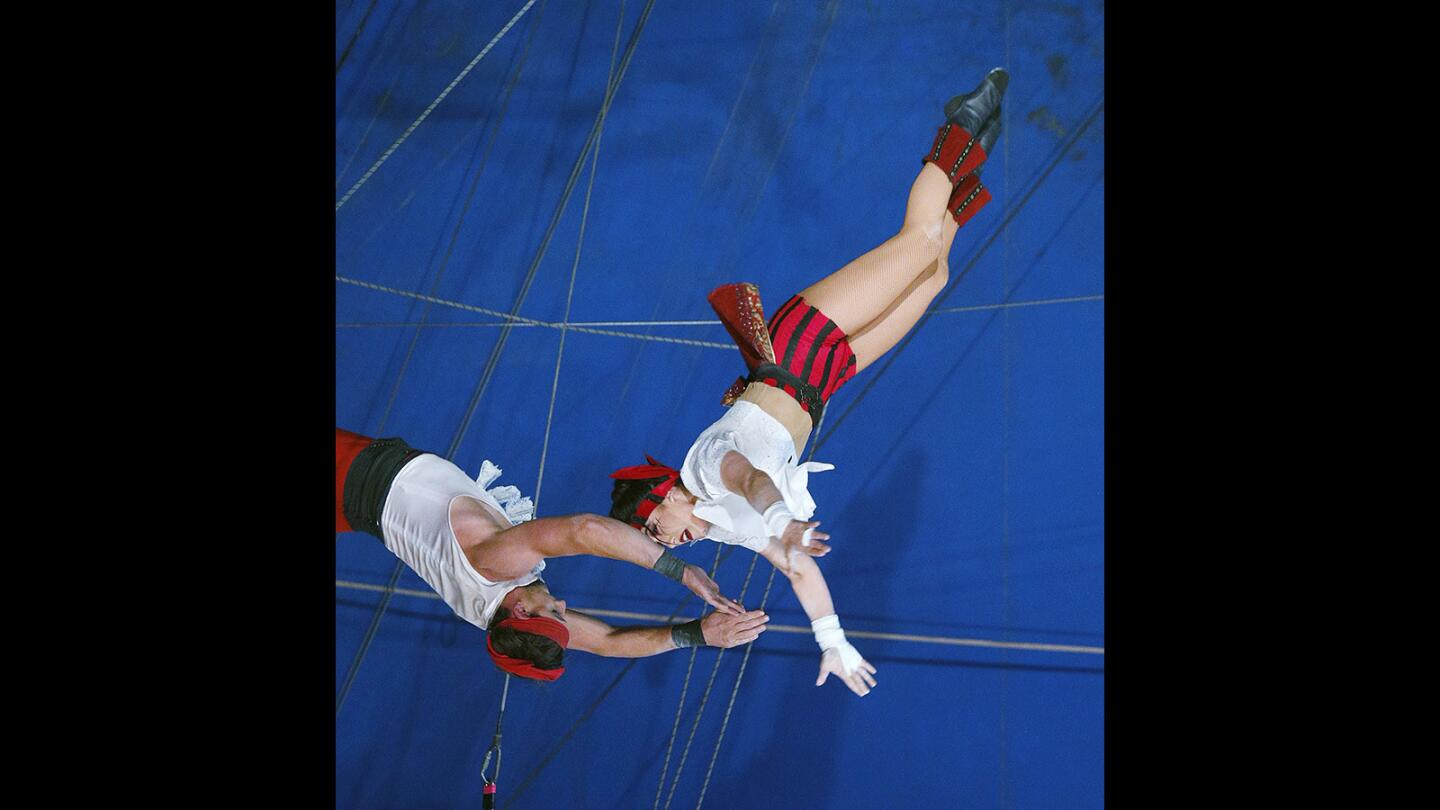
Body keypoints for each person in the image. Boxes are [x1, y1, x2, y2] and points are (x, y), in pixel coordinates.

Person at [608, 68, 1009, 698]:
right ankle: (971, 155)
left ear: (664, 494)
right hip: (826, 380)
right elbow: (795, 568)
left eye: (655, 526)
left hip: (795, 350)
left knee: (917, 244)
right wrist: (833, 641)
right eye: (659, 540)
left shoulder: (706, 471)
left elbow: (753, 479)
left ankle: (963, 122)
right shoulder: (733, 530)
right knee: (932, 275)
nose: (668, 540)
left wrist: (784, 522)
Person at [336, 427, 770, 682]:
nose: (563, 605)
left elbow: (584, 530)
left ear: (521, 610)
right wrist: (698, 635)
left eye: (554, 612)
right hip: (358, 511)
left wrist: (682, 572)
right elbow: (605, 642)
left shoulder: (495, 565)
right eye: (564, 615)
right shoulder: (495, 614)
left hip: (352, 473)